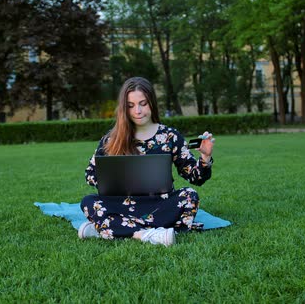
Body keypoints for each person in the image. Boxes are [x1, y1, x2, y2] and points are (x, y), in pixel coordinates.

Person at [79, 77, 215, 246]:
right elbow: (90, 174)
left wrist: (205, 157)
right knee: (89, 202)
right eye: (131, 106)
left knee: (189, 196)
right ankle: (149, 234)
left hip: (160, 204)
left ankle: (109, 229)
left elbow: (196, 178)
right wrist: (112, 178)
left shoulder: (170, 136)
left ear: (152, 102)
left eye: (143, 103)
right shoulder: (112, 139)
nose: (138, 111)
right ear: (124, 108)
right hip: (122, 204)